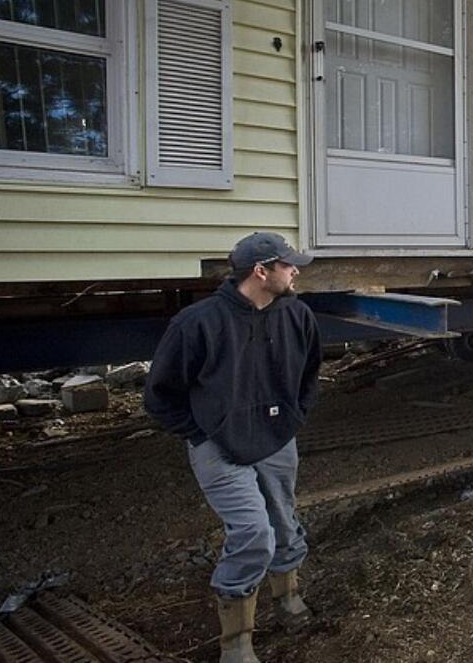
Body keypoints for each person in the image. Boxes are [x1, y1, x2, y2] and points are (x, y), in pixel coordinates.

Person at [145, 232, 322, 663]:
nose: (296, 270)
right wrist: (202, 433)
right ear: (261, 272)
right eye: (288, 264)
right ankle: (237, 643)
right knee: (252, 533)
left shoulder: (297, 316)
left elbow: (310, 375)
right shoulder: (196, 323)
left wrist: (293, 417)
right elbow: (159, 396)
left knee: (283, 519)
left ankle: (287, 598)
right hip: (219, 446)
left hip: (277, 440)